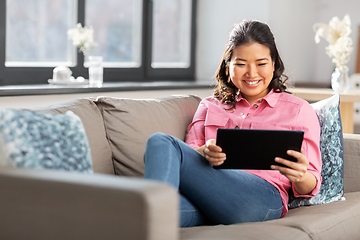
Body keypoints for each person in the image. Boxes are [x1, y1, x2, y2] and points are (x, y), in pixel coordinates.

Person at [143, 20, 322, 228]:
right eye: (241, 64)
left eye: (261, 64)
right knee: (141, 215)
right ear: (228, 66)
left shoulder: (299, 110)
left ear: (274, 64)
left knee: (162, 142)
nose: (252, 73)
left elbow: (310, 184)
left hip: (262, 198)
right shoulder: (209, 106)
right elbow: (185, 159)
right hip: (209, 196)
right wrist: (204, 153)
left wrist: (300, 175)